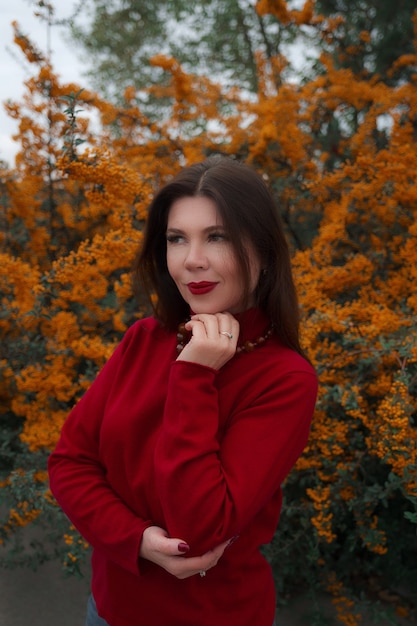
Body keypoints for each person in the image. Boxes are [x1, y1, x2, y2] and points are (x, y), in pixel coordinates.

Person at [48, 155, 318, 626]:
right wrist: (136, 540)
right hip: (109, 607)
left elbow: (200, 525)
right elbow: (71, 463)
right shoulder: (144, 338)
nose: (192, 258)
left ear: (264, 250)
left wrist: (193, 375)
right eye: (177, 239)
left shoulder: (284, 379)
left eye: (218, 236)